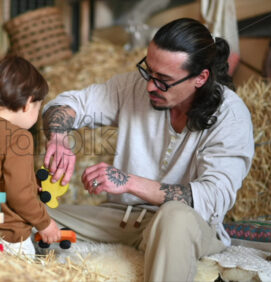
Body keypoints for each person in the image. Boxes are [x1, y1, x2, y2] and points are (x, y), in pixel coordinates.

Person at [42, 18, 254, 281]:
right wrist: (59, 136)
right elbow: (67, 104)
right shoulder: (132, 87)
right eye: (148, 70)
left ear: (200, 78)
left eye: (163, 80)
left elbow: (211, 198)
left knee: (174, 217)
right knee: (27, 214)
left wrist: (129, 182)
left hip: (188, 224)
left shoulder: (231, 115)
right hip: (123, 217)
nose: (149, 86)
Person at [0, 56, 61, 258]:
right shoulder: (19, 137)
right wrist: (45, 223)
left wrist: (31, 182)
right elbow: (19, 194)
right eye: (38, 107)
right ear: (27, 103)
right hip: (10, 237)